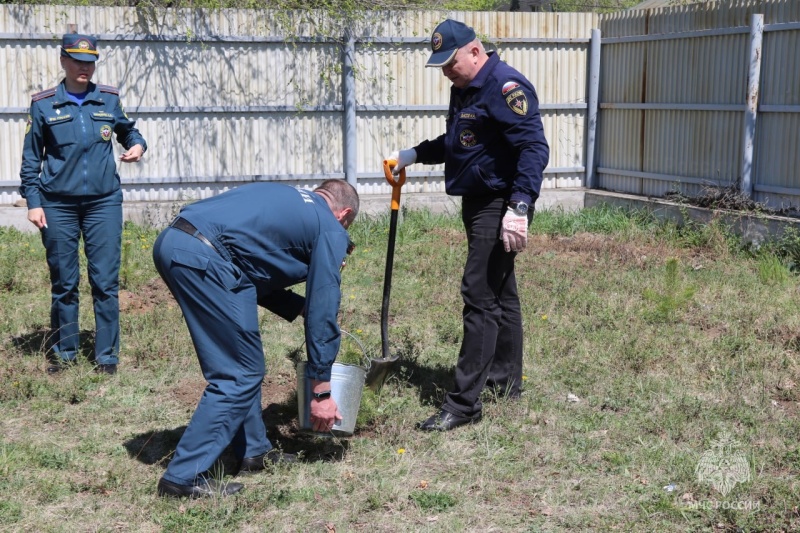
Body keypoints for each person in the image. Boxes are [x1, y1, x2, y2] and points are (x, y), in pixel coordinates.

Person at [387, 19, 549, 431]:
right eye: (440, 65)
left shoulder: (506, 87)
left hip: (500, 202)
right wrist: (414, 154)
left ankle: (463, 405)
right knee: (500, 292)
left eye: (450, 63)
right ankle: (505, 384)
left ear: (475, 52)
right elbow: (460, 142)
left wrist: (519, 205)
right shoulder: (466, 90)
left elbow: (533, 147)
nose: (445, 72)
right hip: (479, 202)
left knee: (477, 293)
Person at [152, 179, 359, 498]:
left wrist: (297, 305)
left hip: (179, 243)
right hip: (205, 257)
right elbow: (324, 307)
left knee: (246, 364)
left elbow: (255, 266)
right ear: (343, 214)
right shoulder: (331, 228)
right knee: (238, 374)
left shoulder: (290, 197)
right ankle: (182, 477)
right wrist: (320, 391)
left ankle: (254, 451)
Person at [19, 33, 147, 375]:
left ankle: (107, 357)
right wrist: (34, 202)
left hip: (103, 203)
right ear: (63, 60)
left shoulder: (107, 100)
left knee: (105, 281)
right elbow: (31, 159)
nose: (84, 67)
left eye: (89, 62)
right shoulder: (44, 104)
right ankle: (65, 354)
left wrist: (137, 145)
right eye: (77, 60)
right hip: (57, 204)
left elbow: (128, 131)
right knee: (64, 282)